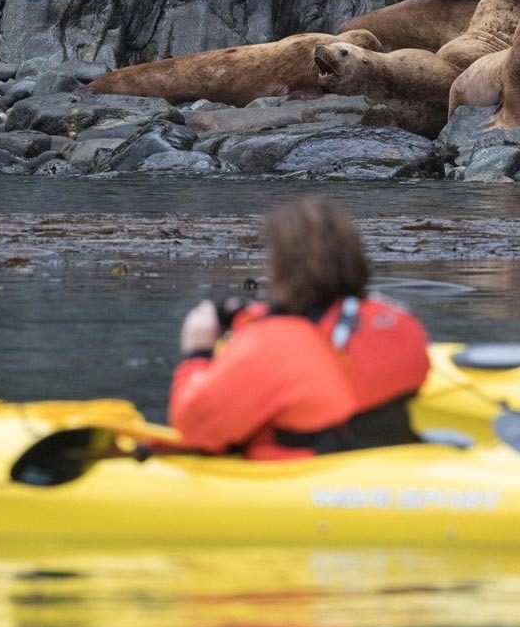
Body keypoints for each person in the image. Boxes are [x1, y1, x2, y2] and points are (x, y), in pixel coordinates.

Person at [170, 196, 431, 459]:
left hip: (311, 475)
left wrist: (199, 351)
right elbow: (323, 326)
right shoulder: (397, 320)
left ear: (279, 268)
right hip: (390, 459)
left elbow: (195, 427)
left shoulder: (272, 344)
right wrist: (248, 316)